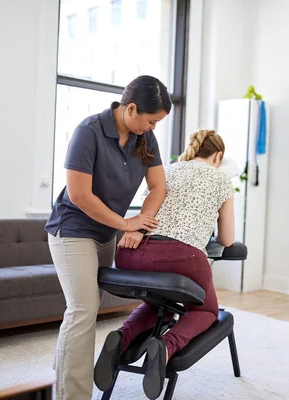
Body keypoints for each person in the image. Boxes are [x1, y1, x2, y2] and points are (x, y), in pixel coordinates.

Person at [45, 75, 171, 399]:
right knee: (82, 310)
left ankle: (65, 383)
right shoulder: (89, 132)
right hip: (72, 230)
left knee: (86, 313)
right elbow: (80, 196)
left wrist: (140, 224)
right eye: (152, 120)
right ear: (131, 108)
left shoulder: (144, 139)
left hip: (105, 233)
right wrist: (126, 224)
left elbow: (159, 187)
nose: (154, 127)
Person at [94, 129, 235, 399]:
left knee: (159, 303)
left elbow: (149, 210)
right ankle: (166, 346)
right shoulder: (221, 179)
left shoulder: (166, 171)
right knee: (206, 310)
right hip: (179, 256)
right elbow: (227, 238)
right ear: (218, 156)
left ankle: (122, 338)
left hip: (129, 253)